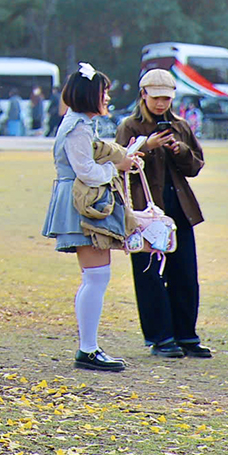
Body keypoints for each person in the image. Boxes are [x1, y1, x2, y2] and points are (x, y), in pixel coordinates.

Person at [43, 62, 143, 372]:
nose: (108, 98)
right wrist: (117, 167)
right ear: (90, 95)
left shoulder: (80, 123)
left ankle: (89, 347)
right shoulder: (77, 127)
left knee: (96, 277)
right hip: (82, 204)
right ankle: (87, 349)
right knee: (96, 277)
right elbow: (85, 170)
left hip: (81, 202)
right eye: (104, 93)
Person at [114, 69, 212, 360]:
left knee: (185, 273)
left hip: (179, 209)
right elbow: (119, 163)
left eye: (167, 98)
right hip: (146, 212)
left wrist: (178, 149)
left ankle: (186, 335)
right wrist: (148, 146)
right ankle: (160, 337)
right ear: (143, 95)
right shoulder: (129, 126)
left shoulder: (180, 126)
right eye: (156, 98)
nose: (161, 104)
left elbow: (194, 166)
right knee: (150, 275)